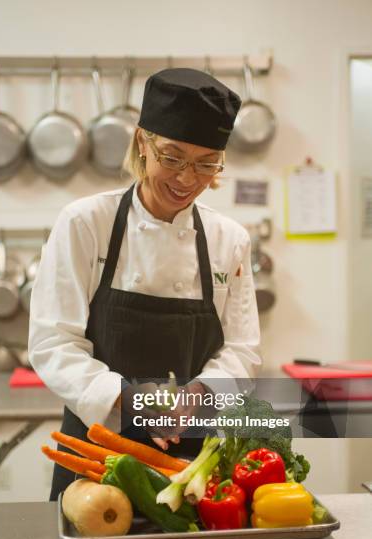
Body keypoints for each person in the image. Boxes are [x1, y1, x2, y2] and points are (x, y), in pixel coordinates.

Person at [28, 68, 262, 501]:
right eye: (172, 158)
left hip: (191, 460)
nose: (188, 179)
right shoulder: (85, 223)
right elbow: (52, 341)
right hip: (98, 452)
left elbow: (242, 348)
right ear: (142, 143)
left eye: (206, 162)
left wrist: (200, 395)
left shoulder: (230, 239)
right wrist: (128, 401)